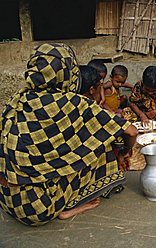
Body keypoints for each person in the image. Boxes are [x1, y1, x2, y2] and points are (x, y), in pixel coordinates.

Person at [0, 43, 138, 226]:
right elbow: (131, 131)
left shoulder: (17, 101)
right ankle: (67, 208)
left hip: (7, 197)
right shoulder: (73, 103)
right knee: (103, 142)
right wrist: (123, 152)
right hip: (39, 208)